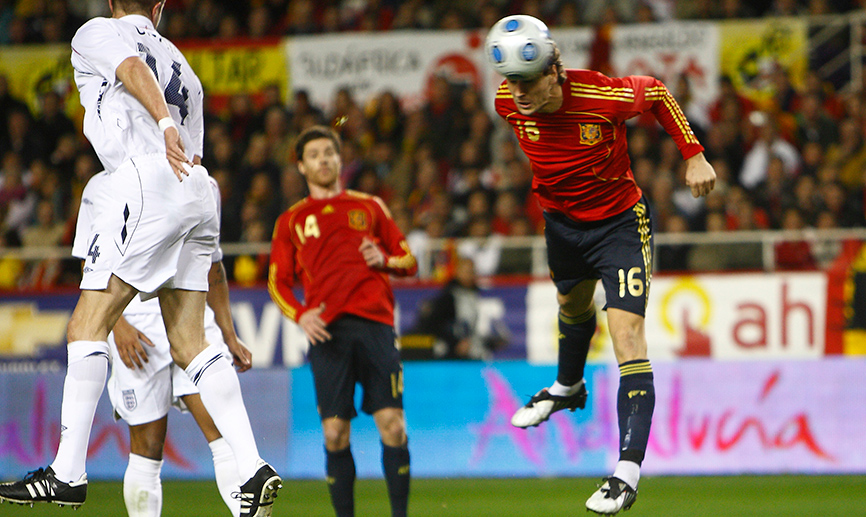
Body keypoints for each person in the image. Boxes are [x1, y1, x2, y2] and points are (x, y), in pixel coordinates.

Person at [0, 2, 281, 515]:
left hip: (145, 178)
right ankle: (254, 462)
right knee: (193, 342)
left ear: (112, 4)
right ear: (160, 7)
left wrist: (163, 127)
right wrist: (174, 136)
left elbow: (130, 69)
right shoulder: (183, 64)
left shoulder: (98, 31)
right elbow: (188, 147)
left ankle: (67, 472)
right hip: (198, 187)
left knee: (87, 325)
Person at [484, 15, 716, 515]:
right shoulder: (507, 103)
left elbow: (656, 92)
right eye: (511, 81)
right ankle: (568, 387)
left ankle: (626, 473)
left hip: (618, 225)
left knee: (626, 333)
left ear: (554, 71)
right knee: (572, 303)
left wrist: (693, 154)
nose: (518, 93)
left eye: (528, 80)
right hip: (561, 224)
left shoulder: (598, 96)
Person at [73, 170, 250, 516]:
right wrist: (117, 324)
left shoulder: (204, 183)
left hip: (192, 321)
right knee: (147, 447)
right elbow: (89, 260)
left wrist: (229, 334)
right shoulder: (101, 185)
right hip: (137, 328)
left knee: (223, 432)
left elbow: (213, 266)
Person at [268, 126, 417, 517]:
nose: (323, 160)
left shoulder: (370, 207)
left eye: (329, 152)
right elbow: (277, 281)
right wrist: (300, 315)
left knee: (394, 427)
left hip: (376, 327)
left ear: (340, 159)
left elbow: (409, 259)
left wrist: (383, 260)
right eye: (314, 154)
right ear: (301, 165)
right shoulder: (291, 221)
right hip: (328, 333)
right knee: (334, 434)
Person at [411, 255, 509, 360]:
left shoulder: (473, 295)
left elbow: (471, 329)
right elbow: (433, 324)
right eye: (466, 271)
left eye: (472, 271)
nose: (470, 275)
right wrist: (454, 343)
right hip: (450, 355)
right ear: (457, 272)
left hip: (467, 352)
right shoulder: (449, 297)